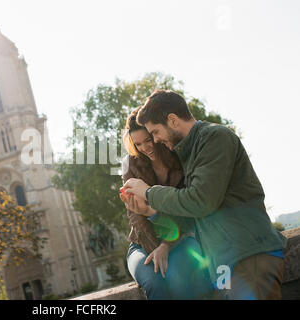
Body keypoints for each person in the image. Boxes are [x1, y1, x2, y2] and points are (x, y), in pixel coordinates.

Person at [123, 90, 287, 300]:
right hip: (224, 265)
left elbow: (201, 201)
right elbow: (193, 214)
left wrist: (148, 192)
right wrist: (149, 210)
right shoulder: (188, 151)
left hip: (249, 256)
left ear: (172, 120)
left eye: (155, 132)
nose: (154, 140)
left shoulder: (215, 138)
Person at [121, 106, 213, 300]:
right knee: (154, 283)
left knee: (177, 278)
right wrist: (157, 245)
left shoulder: (179, 157)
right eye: (138, 145)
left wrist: (166, 245)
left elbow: (187, 210)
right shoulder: (131, 165)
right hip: (142, 243)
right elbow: (136, 217)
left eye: (148, 139)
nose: (146, 148)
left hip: (181, 237)